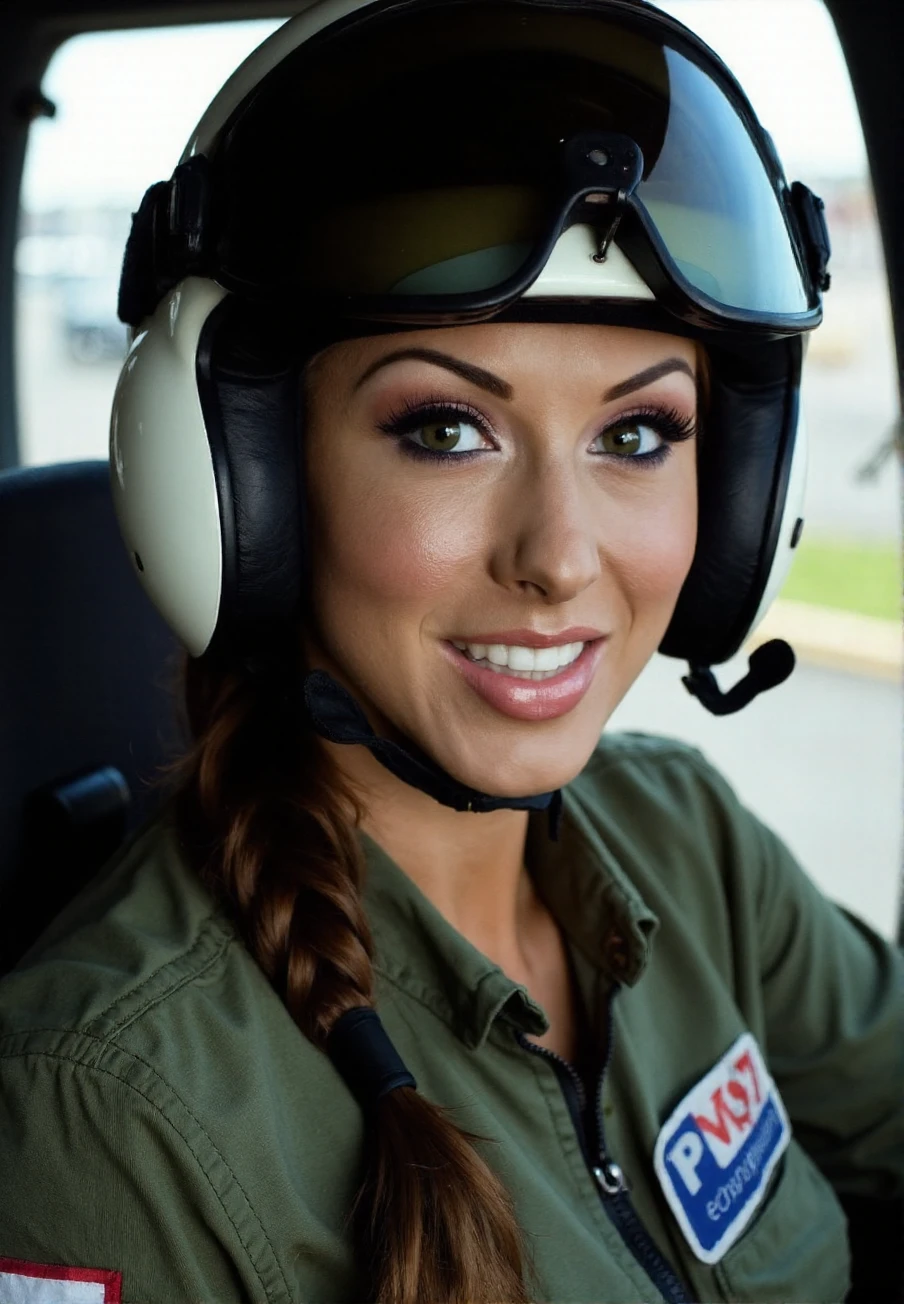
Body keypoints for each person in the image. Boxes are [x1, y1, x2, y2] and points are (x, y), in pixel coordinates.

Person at [0, 1, 901, 1302]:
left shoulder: (689, 844)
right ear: (243, 489)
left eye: (638, 436)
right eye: (444, 429)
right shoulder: (99, 1119)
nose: (560, 557)